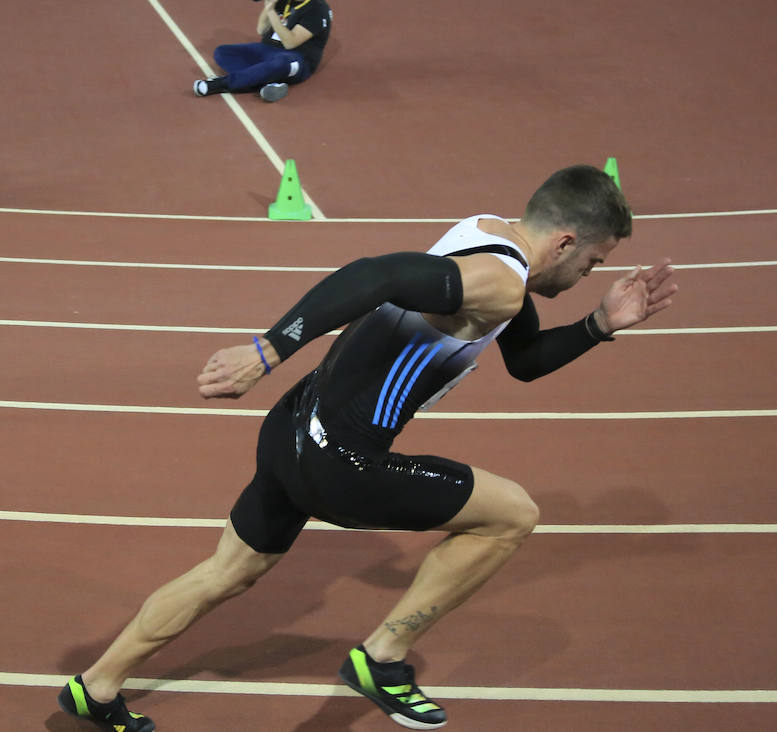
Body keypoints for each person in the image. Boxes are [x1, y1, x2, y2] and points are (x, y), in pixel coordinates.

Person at [57, 165, 677, 730]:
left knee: (229, 570)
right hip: (340, 461)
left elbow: (526, 362)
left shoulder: (486, 236)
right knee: (512, 515)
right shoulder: (501, 282)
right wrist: (267, 348)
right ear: (565, 242)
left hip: (291, 428)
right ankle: (382, 656)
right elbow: (372, 274)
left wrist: (600, 326)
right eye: (591, 264)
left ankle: (97, 685)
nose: (585, 277)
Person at [193, 0, 332, 103]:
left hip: (296, 59)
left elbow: (290, 43)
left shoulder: (318, 9)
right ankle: (267, 83)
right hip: (268, 50)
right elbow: (261, 29)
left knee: (279, 64)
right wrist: (268, 5)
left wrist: (272, 11)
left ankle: (219, 84)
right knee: (223, 52)